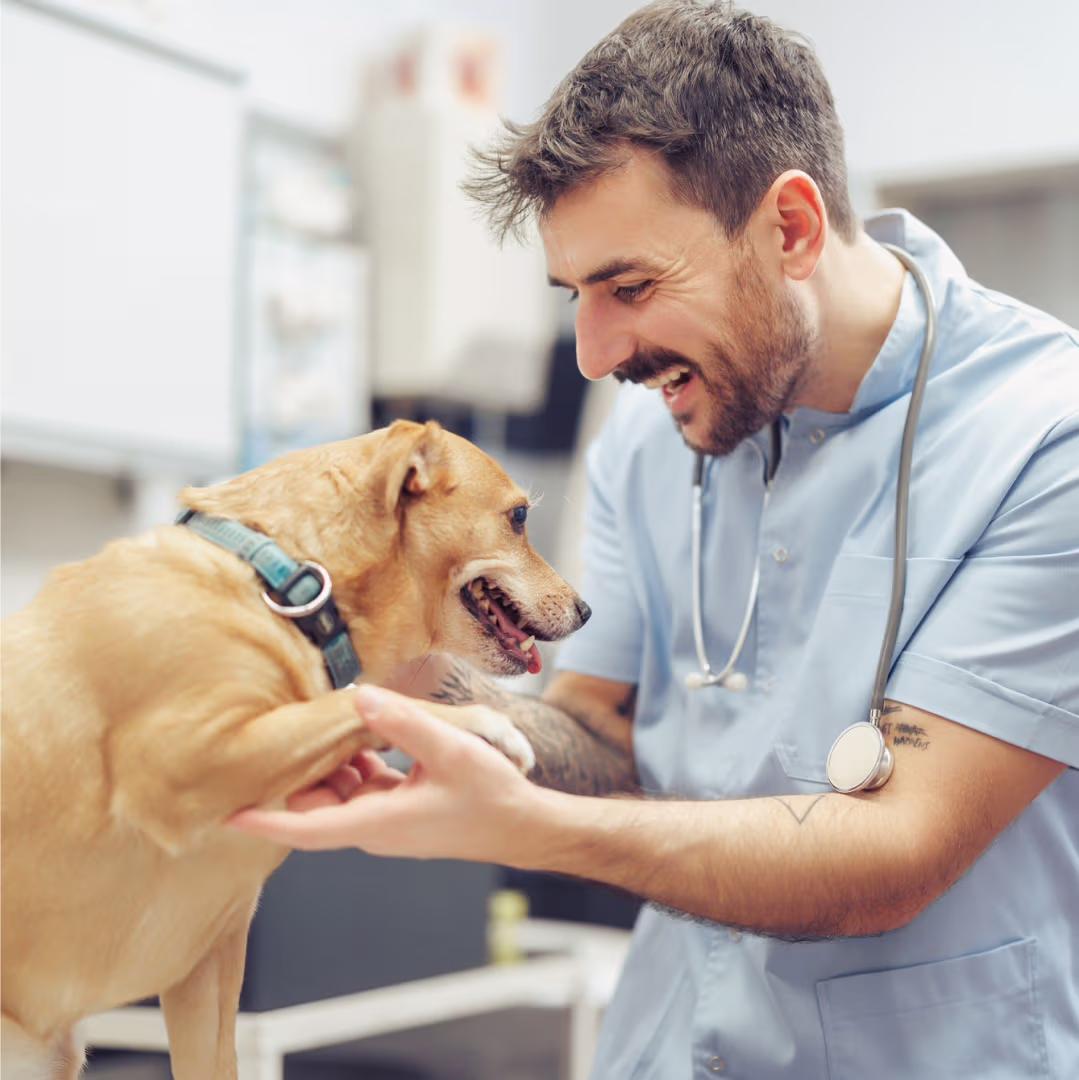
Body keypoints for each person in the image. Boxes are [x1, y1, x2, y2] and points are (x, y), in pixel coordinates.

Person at [232, 2, 1079, 1075]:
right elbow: (598, 731)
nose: (594, 356)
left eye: (628, 287)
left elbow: (894, 850)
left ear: (789, 228)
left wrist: (524, 827)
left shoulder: (1045, 439)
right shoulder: (645, 441)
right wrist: (413, 685)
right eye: (575, 295)